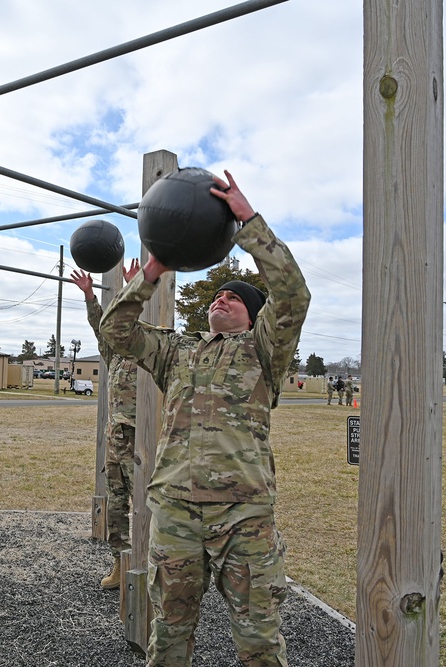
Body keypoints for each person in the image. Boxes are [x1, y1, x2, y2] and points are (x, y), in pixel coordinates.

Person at [100, 170, 309, 666]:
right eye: (218, 295)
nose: (221, 299)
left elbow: (293, 295)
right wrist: (150, 273)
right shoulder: (177, 352)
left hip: (244, 513)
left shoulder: (263, 350)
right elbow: (116, 332)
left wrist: (246, 222)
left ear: (255, 316)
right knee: (169, 634)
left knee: (258, 641)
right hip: (175, 509)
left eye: (234, 297)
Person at [71, 258, 141, 589]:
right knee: (116, 506)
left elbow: (134, 316)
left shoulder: (151, 353)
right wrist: (89, 296)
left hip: (143, 443)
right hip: (116, 442)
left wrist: (133, 288)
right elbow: (102, 326)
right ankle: (120, 562)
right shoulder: (114, 354)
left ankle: (149, 566)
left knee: (147, 505)